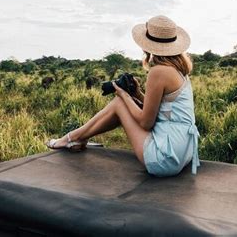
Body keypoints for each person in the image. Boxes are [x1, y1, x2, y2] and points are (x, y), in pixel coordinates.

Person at [46, 15, 200, 176]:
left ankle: (71, 138)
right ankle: (78, 137)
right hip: (184, 151)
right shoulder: (180, 72)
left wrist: (124, 95)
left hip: (165, 158)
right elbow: (166, 109)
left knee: (119, 102)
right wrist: (138, 94)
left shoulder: (158, 71)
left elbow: (146, 122)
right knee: (121, 101)